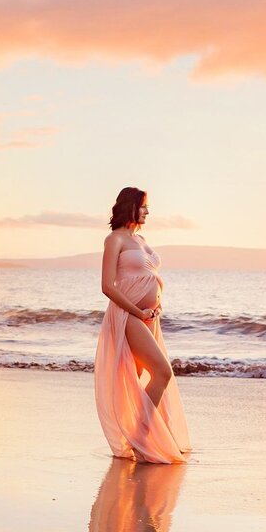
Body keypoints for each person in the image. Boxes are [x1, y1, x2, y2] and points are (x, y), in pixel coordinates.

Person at [94, 187, 192, 464]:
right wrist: (138, 311)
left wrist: (156, 306)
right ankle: (141, 438)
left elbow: (147, 277)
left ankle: (136, 436)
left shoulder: (142, 239)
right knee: (162, 372)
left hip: (148, 316)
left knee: (137, 380)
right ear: (131, 207)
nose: (148, 212)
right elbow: (107, 286)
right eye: (144, 206)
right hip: (129, 316)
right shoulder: (114, 240)